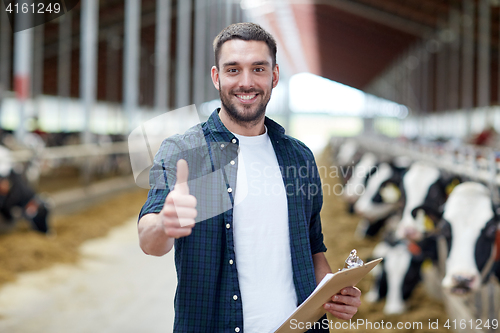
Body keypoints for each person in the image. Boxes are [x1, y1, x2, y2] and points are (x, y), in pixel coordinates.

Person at [138, 22, 361, 333]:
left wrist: (334, 293)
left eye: (258, 69)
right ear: (216, 77)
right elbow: (149, 239)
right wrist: (165, 223)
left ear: (274, 75)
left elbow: (312, 247)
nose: (246, 82)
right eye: (233, 70)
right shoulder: (183, 150)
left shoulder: (299, 157)